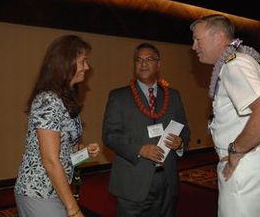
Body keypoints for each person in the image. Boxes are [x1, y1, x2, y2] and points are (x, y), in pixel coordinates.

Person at [190, 14, 260, 217]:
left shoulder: (234, 64)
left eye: (198, 39)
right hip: (254, 162)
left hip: (243, 165)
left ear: (218, 37)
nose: (194, 46)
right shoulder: (243, 60)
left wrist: (236, 150)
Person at [14, 35, 100, 217]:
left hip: (55, 189)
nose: (87, 67)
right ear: (66, 63)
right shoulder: (48, 100)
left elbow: (65, 152)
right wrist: (73, 209)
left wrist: (83, 152)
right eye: (83, 61)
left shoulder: (65, 98)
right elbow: (50, 160)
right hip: (39, 191)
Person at [102, 43, 190, 217]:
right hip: (133, 181)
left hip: (166, 180)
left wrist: (180, 143)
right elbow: (109, 135)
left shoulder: (173, 96)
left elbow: (185, 130)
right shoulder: (119, 97)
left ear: (159, 65)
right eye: (139, 60)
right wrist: (140, 149)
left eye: (149, 59)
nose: (143, 64)